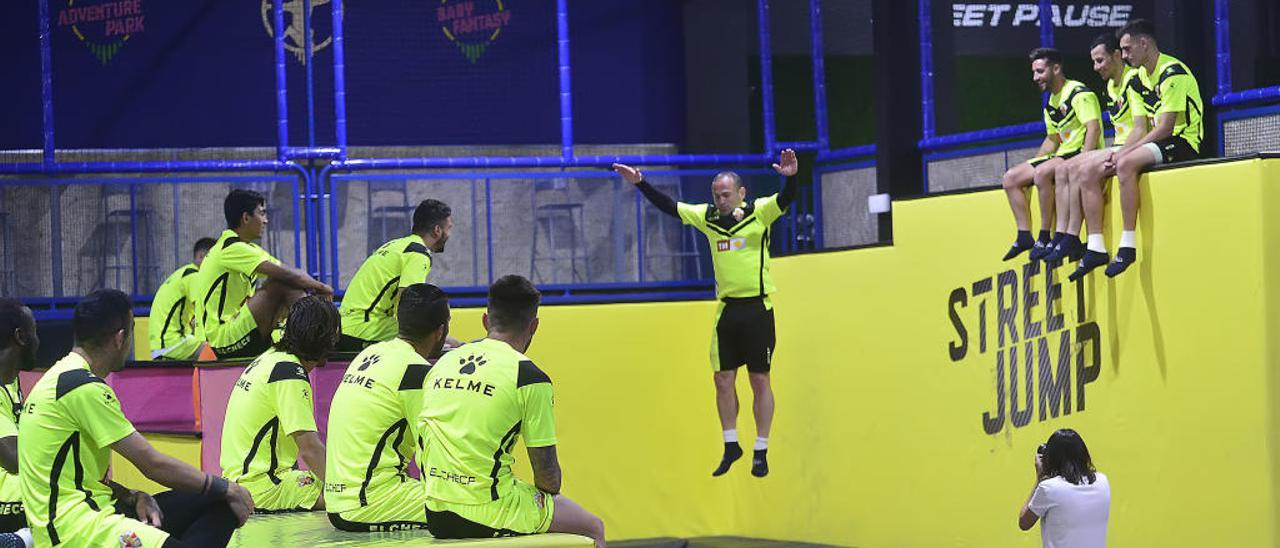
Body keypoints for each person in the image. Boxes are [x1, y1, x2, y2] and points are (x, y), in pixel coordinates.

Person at [613, 149, 801, 478]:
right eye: (717, 194)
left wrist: (791, 178)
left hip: (758, 307)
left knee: (759, 380)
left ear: (741, 193)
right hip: (727, 309)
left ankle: (761, 447)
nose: (721, 200)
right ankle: (731, 444)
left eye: (726, 194)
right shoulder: (708, 218)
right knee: (722, 379)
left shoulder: (760, 213)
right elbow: (672, 208)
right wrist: (641, 183)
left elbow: (787, 199)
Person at [18, 289, 253, 547]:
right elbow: (153, 464)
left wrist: (133, 495)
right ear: (120, 338)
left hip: (88, 513)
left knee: (218, 502)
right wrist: (227, 487)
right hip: (77, 531)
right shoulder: (82, 387)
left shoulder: (58, 376)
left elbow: (75, 478)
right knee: (223, 495)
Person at [417, 275, 605, 547]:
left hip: (435, 508)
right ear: (534, 326)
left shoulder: (442, 363)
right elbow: (548, 478)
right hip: (487, 510)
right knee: (592, 529)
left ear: (485, 320)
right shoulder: (529, 377)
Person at [1071, 18, 1203, 279]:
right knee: (1089, 170)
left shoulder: (1171, 73)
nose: (1125, 55)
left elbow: (1165, 127)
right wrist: (1119, 151)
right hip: (1159, 140)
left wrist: (1125, 154)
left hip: (1184, 141)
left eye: (1128, 49)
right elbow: (1143, 127)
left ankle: (1127, 245)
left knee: (1125, 164)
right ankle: (1094, 245)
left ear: (1144, 43)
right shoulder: (1141, 76)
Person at [325, 283, 450, 532]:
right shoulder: (416, 371)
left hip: (338, 499)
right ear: (441, 331)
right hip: (369, 502)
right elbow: (434, 450)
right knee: (470, 505)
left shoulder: (371, 353)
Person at [220, 296, 339, 513]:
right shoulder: (288, 372)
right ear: (326, 340)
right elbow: (310, 450)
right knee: (356, 497)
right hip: (264, 487)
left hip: (242, 482)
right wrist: (347, 486)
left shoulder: (271, 358)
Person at [1048, 33, 1152, 268]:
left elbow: (1140, 129)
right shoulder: (1109, 87)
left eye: (1100, 60)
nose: (1095, 67)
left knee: (1082, 170)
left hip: (1134, 146)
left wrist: (1118, 154)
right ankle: (1067, 235)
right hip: (1120, 145)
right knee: (1065, 167)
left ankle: (1083, 240)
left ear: (1117, 55)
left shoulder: (1133, 79)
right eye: (1093, 62)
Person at [192, 189, 333, 360]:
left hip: (237, 331)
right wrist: (322, 288)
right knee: (280, 285)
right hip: (222, 341)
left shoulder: (246, 248)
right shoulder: (230, 249)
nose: (266, 221)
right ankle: (319, 342)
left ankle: (314, 341)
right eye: (262, 214)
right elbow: (289, 276)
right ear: (245, 218)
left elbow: (290, 272)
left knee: (285, 284)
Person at [1000, 48, 1103, 263]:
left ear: (1056, 69)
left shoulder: (1078, 93)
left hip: (1077, 154)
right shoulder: (1051, 102)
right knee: (1011, 178)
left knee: (1042, 174)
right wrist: (1033, 163)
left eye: (1039, 71)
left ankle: (1046, 235)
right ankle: (1024, 235)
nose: (1035, 78)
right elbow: (1052, 139)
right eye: (1034, 73)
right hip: (1062, 154)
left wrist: (1083, 161)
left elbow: (1093, 128)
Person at [337, 199, 456, 352]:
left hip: (347, 325)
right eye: (449, 228)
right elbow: (409, 304)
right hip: (365, 328)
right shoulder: (418, 254)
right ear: (437, 230)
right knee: (431, 339)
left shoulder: (397, 245)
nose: (449, 234)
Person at [1019, 429, 1110, 548]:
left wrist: (1040, 478)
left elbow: (1024, 522)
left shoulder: (1049, 488)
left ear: (1051, 459)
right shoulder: (1102, 481)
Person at [0, 299, 38, 547]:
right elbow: (13, 458)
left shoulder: (11, 381)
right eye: (34, 330)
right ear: (20, 336)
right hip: (7, 507)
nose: (38, 338)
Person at [149, 238, 217, 360]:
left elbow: (193, 320)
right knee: (218, 350)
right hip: (173, 343)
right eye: (215, 258)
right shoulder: (194, 276)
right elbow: (202, 316)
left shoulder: (182, 273)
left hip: (161, 345)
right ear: (201, 257)